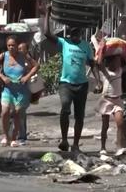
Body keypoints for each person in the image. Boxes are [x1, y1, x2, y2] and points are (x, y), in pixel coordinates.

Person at [44, 10, 102, 153]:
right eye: (73, 33)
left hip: (82, 85)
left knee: (79, 115)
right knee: (65, 109)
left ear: (81, 34)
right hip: (66, 84)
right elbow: (46, 33)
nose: (75, 36)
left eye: (77, 33)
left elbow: (92, 64)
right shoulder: (64, 43)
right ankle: (64, 140)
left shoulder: (86, 46)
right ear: (70, 34)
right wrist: (47, 13)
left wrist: (99, 81)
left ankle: (75, 144)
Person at [0, 36, 39, 147]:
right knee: (5, 112)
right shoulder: (3, 56)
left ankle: (13, 138)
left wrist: (27, 76)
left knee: (17, 114)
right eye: (9, 45)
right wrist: (2, 77)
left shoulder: (24, 56)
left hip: (21, 90)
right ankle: (6, 137)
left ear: (17, 46)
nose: (11, 47)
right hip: (7, 89)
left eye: (13, 45)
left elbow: (36, 66)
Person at [98, 55, 126, 156]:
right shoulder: (105, 72)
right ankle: (103, 147)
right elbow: (99, 63)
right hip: (106, 100)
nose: (118, 63)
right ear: (110, 62)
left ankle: (119, 147)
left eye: (119, 61)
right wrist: (102, 49)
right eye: (116, 61)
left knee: (120, 124)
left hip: (117, 101)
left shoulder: (120, 71)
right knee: (105, 125)